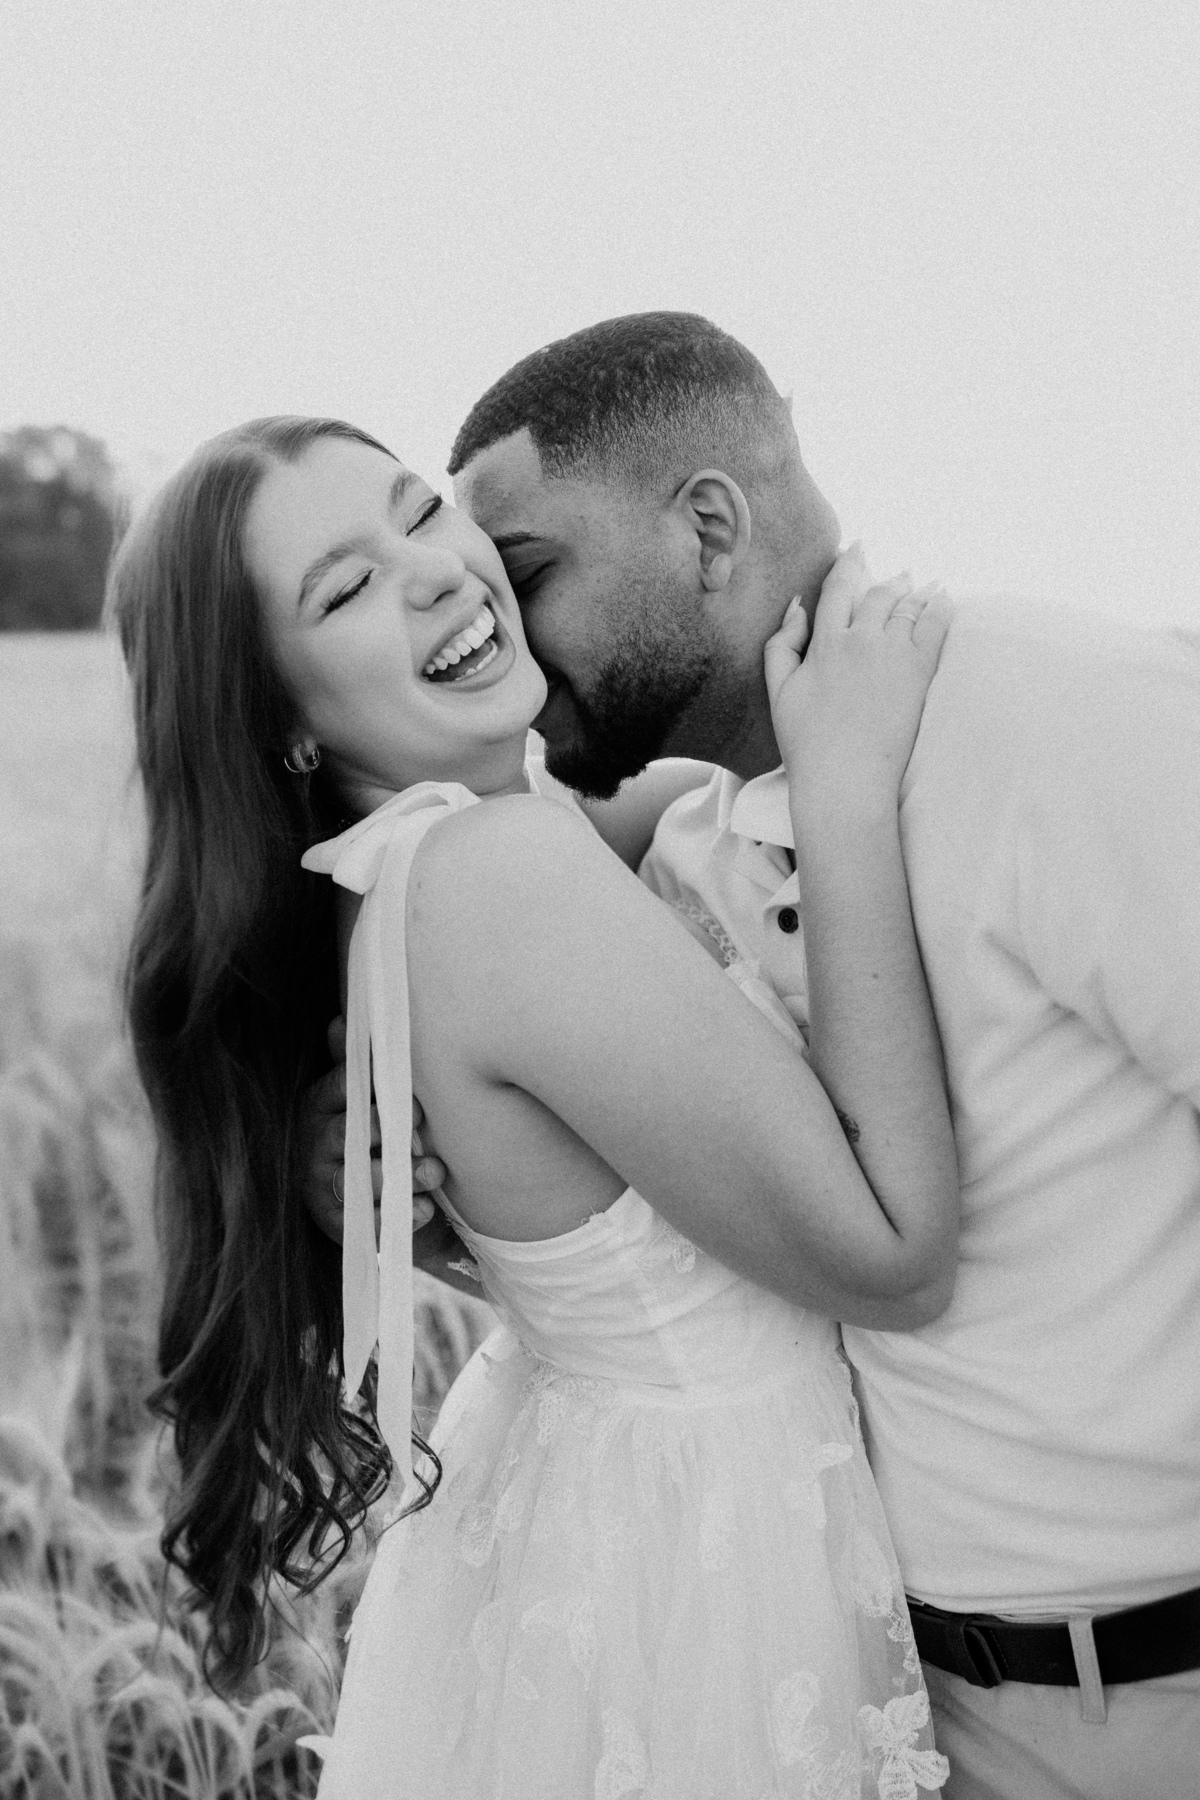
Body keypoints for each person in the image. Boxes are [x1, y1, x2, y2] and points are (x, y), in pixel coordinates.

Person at [110, 413, 958, 1798]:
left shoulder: (415, 864)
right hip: (707, 1569)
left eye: (418, 513)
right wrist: (845, 791)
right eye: (346, 587)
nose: (435, 572)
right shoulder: (500, 877)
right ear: (279, 722)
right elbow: (893, 1253)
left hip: (595, 1507)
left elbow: (645, 823)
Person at [422, 312, 1200, 1798]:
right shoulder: (690, 859)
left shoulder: (1060, 718)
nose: (504, 639)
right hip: (895, 1714)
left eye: (527, 576)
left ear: (708, 528)